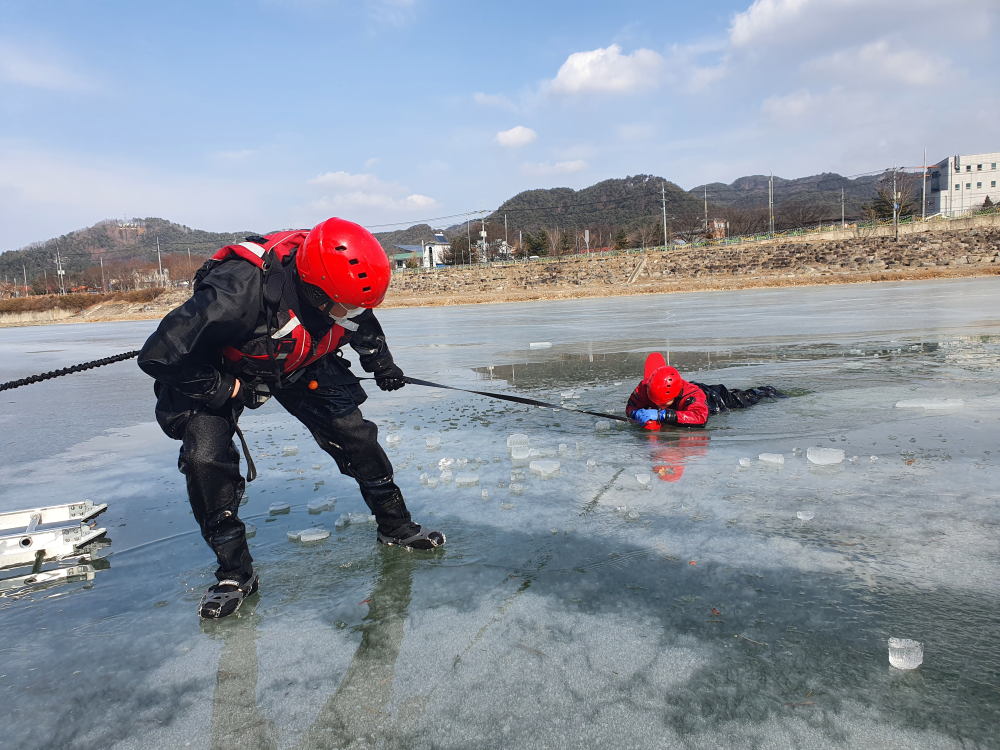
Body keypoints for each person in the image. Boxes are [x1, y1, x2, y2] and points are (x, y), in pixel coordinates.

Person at [138, 217, 444, 620]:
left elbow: (358, 316)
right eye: (341, 305)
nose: (350, 312)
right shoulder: (233, 294)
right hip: (219, 368)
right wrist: (228, 389)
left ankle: (396, 526)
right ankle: (234, 574)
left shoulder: (341, 294)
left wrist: (381, 361)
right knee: (205, 460)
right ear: (314, 287)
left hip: (297, 361)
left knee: (356, 437)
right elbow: (159, 355)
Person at [626, 356, 785, 429]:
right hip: (689, 395)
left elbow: (700, 419)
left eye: (662, 404)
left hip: (716, 399)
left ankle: (766, 391)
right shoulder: (644, 387)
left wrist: (662, 415)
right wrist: (635, 414)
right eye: (654, 402)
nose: (657, 406)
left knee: (747, 398)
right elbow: (630, 407)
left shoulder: (694, 396)